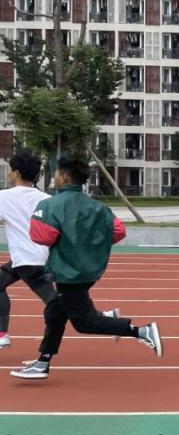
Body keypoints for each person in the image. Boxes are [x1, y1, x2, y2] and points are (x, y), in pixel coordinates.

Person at [11, 153, 162, 380]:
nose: (54, 177)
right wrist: (88, 244)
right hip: (89, 270)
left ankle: (140, 331)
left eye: (56, 173)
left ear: (64, 177)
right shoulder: (98, 207)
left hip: (68, 272)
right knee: (54, 312)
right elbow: (118, 231)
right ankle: (42, 362)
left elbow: (41, 236)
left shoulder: (50, 204)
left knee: (84, 322)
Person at [0, 151, 56, 349]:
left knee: (54, 303)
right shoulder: (47, 199)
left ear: (16, 173)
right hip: (36, 258)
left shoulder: (4, 197)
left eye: (10, 170)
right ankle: (2, 334)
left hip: (28, 262)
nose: (8, 173)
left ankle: (104, 318)